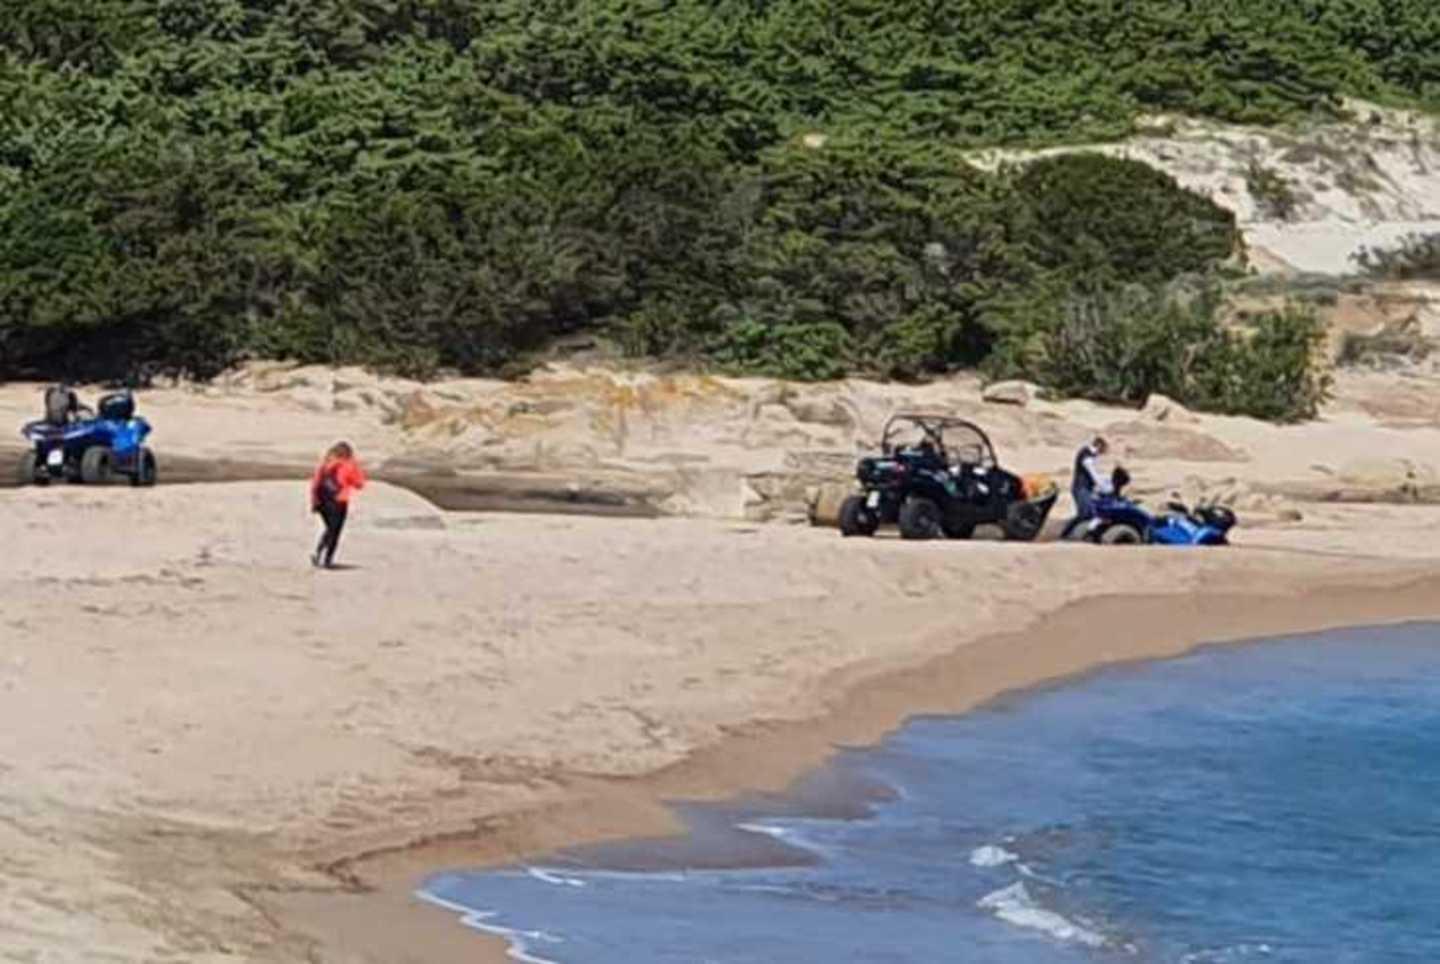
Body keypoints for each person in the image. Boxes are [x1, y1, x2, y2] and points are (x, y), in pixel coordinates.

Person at [310, 441, 367, 569]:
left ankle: (319, 553)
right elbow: (359, 484)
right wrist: (355, 466)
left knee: (329, 529)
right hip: (338, 501)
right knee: (334, 531)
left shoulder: (325, 464)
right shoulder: (348, 466)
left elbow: (315, 484)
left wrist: (314, 501)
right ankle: (326, 558)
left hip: (322, 501)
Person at [1061, 436, 1111, 540]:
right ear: (1098, 446)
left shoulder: (1090, 455)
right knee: (1084, 513)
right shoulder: (1086, 455)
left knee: (1089, 513)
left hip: (1085, 488)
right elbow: (1092, 473)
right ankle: (1065, 534)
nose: (1101, 454)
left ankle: (1081, 533)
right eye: (1102, 450)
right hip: (1080, 488)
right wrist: (1103, 486)